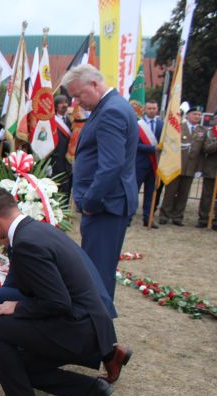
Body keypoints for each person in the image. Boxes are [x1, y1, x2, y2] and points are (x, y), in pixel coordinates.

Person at [0, 186, 131, 396]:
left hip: (79, 329)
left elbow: (58, 302)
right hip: (90, 325)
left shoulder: (26, 243)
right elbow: (17, 284)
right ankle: (89, 390)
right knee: (19, 365)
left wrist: (17, 308)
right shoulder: (35, 230)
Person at [62, 64, 138, 301]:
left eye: (78, 95)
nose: (76, 102)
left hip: (106, 205)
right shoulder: (109, 107)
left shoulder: (111, 111)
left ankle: (99, 332)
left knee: (97, 274)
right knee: (96, 271)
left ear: (93, 84)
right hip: (107, 203)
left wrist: (90, 202)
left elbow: (111, 165)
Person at [159, 106, 206, 226]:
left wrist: (199, 169)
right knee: (170, 192)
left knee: (184, 194)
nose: (197, 116)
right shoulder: (178, 127)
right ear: (188, 115)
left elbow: (202, 153)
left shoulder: (202, 131)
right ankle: (164, 215)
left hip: (191, 167)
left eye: (199, 115)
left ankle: (178, 216)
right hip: (176, 165)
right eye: (195, 114)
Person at [135, 102, 161, 228]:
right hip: (139, 164)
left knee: (150, 193)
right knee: (134, 191)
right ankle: (128, 217)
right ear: (145, 109)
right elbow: (135, 144)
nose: (152, 110)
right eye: (149, 108)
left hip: (155, 165)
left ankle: (148, 218)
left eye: (154, 108)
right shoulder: (138, 125)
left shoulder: (162, 125)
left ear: (157, 109)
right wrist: (153, 148)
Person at [51, 95, 73, 197]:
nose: (64, 105)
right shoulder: (51, 122)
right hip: (56, 162)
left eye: (66, 102)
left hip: (68, 163)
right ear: (55, 106)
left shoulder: (72, 121)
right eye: (61, 103)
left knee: (66, 191)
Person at [197, 121, 217, 229]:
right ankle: (204, 218)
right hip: (211, 170)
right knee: (207, 196)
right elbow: (206, 149)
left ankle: (215, 220)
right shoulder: (210, 132)